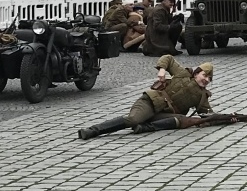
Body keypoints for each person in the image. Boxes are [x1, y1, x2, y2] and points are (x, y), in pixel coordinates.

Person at [79, 57, 214, 138]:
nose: (206, 80)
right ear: (196, 73)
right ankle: (92, 131)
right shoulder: (183, 73)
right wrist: (162, 69)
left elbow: (208, 115)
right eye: (204, 75)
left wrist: (226, 118)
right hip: (150, 102)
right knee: (133, 119)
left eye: (209, 78)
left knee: (181, 120)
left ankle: (145, 127)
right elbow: (168, 58)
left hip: (163, 115)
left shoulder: (202, 96)